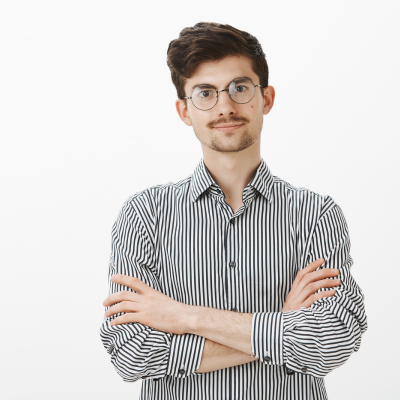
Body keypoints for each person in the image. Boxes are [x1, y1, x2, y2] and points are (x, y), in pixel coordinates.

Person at [100, 22, 367, 400]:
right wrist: (283, 325)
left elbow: (331, 341)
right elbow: (130, 353)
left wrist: (183, 317)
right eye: (205, 93)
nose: (225, 107)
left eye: (240, 88)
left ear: (266, 98)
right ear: (184, 110)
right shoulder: (145, 215)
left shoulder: (315, 214)